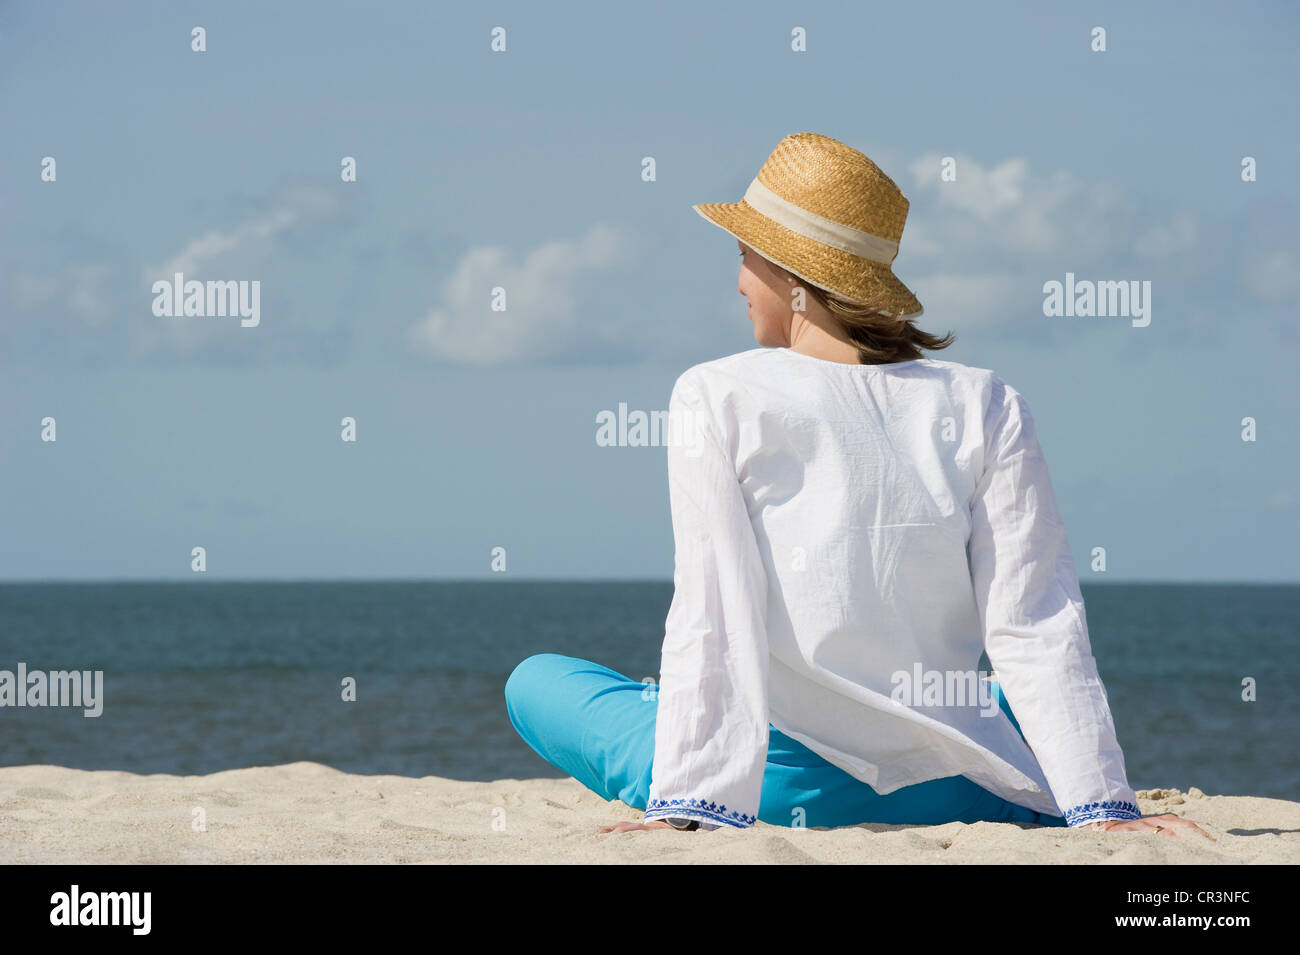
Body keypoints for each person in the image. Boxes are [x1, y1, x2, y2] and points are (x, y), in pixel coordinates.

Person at [505, 133, 1213, 841]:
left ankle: (695, 767)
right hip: (959, 786)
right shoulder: (985, 401)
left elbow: (712, 611)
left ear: (794, 277)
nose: (738, 278)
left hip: (779, 787)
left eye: (746, 253)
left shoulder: (716, 392)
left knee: (536, 681)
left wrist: (687, 804)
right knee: (998, 695)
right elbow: (1034, 619)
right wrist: (1101, 805)